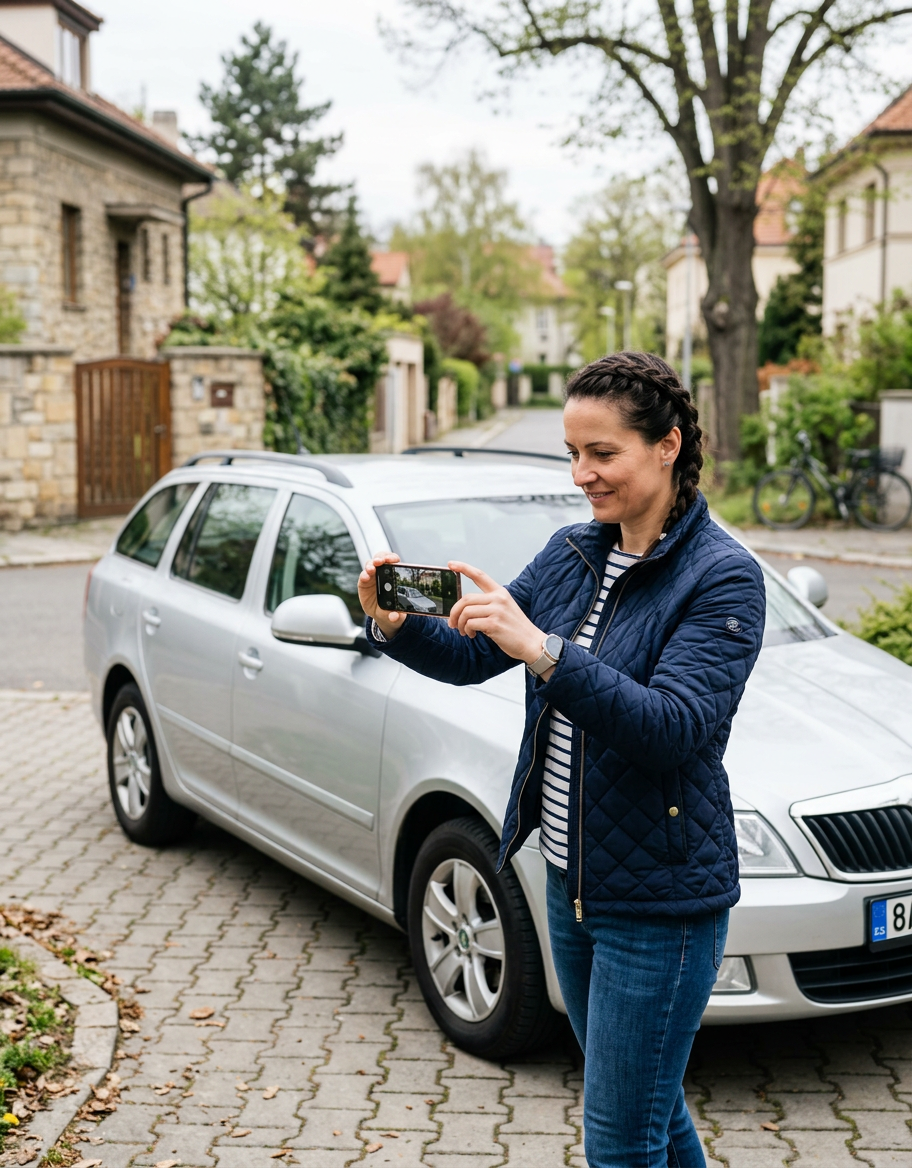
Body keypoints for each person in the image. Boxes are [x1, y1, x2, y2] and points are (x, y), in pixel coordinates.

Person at [358, 351, 765, 1168]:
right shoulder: (575, 552)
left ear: (667, 446)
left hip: (661, 903)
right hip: (571, 883)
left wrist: (542, 650)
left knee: (618, 1140)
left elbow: (670, 727)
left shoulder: (723, 578)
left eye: (602, 453)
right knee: (649, 1113)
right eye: (573, 453)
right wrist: (395, 625)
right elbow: (476, 656)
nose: (582, 474)